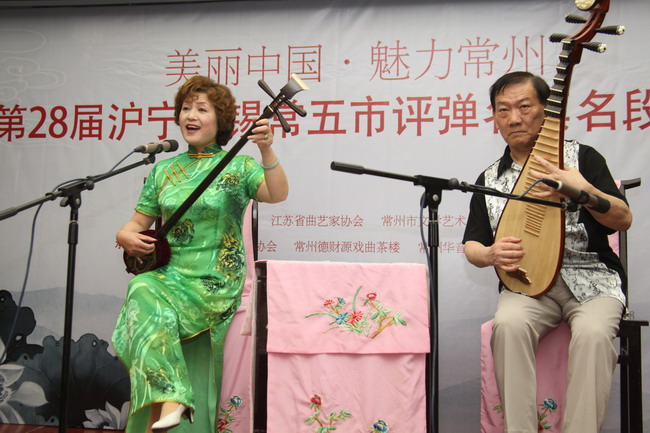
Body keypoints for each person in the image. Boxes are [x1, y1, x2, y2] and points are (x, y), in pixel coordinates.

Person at [112, 75, 288, 433]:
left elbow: (276, 194)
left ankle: (173, 400)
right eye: (186, 108)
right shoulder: (164, 169)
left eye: (202, 109)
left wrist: (267, 151)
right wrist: (124, 236)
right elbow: (136, 223)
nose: (190, 115)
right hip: (170, 274)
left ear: (220, 121)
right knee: (141, 287)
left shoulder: (237, 166)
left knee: (143, 292)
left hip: (214, 278)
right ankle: (172, 398)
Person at [462, 71, 632, 433]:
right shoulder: (489, 179)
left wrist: (582, 191)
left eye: (524, 107)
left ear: (546, 112)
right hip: (526, 284)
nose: (514, 118)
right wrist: (490, 254)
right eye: (503, 110)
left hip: (592, 278)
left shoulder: (581, 159)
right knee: (508, 326)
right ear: (495, 118)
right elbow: (472, 245)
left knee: (594, 334)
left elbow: (623, 218)